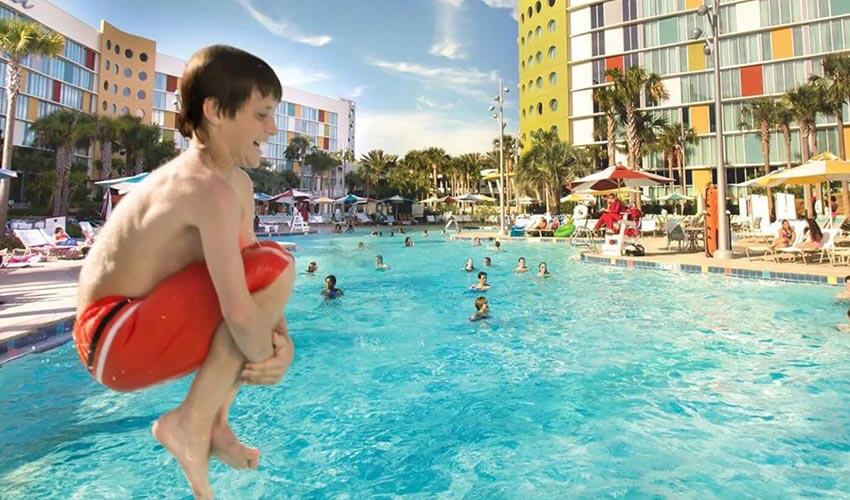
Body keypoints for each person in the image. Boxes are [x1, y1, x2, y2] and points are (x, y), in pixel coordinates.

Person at [72, 46, 295, 498]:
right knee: (280, 264)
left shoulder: (237, 183)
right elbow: (244, 304)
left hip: (132, 327)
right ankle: (191, 422)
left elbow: (253, 282)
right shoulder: (202, 187)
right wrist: (269, 359)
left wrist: (282, 344)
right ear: (214, 110)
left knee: (269, 264)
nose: (272, 129)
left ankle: (210, 422)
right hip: (112, 336)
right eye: (262, 115)